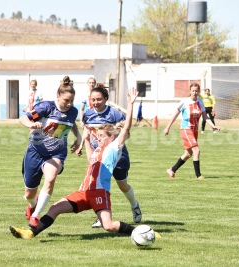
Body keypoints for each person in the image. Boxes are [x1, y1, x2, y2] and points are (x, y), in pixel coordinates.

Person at [9, 87, 144, 239]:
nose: (97, 139)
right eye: (96, 136)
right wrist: (85, 139)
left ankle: (139, 232)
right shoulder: (98, 151)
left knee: (108, 225)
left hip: (99, 193)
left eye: (100, 136)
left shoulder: (114, 148)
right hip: (83, 193)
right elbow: (90, 158)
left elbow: (126, 127)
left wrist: (131, 104)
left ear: (111, 137)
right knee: (54, 208)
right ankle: (29, 233)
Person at [19, 76, 82, 228]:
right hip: (35, 151)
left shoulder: (73, 111)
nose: (69, 104)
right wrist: (31, 125)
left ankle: (35, 216)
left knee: (50, 178)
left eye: (71, 101)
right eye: (66, 100)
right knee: (29, 193)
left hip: (56, 154)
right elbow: (24, 118)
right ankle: (33, 204)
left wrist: (78, 137)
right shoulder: (45, 107)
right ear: (58, 96)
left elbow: (71, 123)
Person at [76, 83, 142, 228]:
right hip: (99, 158)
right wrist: (81, 144)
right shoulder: (88, 114)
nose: (95, 102)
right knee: (99, 186)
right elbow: (88, 133)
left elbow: (126, 129)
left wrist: (131, 105)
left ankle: (134, 205)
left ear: (106, 99)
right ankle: (102, 217)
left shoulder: (114, 114)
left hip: (117, 157)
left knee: (122, 185)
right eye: (93, 100)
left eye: (99, 99)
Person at [164, 83, 220, 180]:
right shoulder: (184, 102)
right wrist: (167, 127)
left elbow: (205, 117)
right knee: (196, 151)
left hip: (195, 130)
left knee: (188, 154)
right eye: (193, 91)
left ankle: (172, 170)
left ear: (198, 92)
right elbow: (175, 115)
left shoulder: (200, 101)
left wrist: (213, 126)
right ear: (190, 91)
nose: (194, 93)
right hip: (186, 129)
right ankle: (198, 175)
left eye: (196, 91)